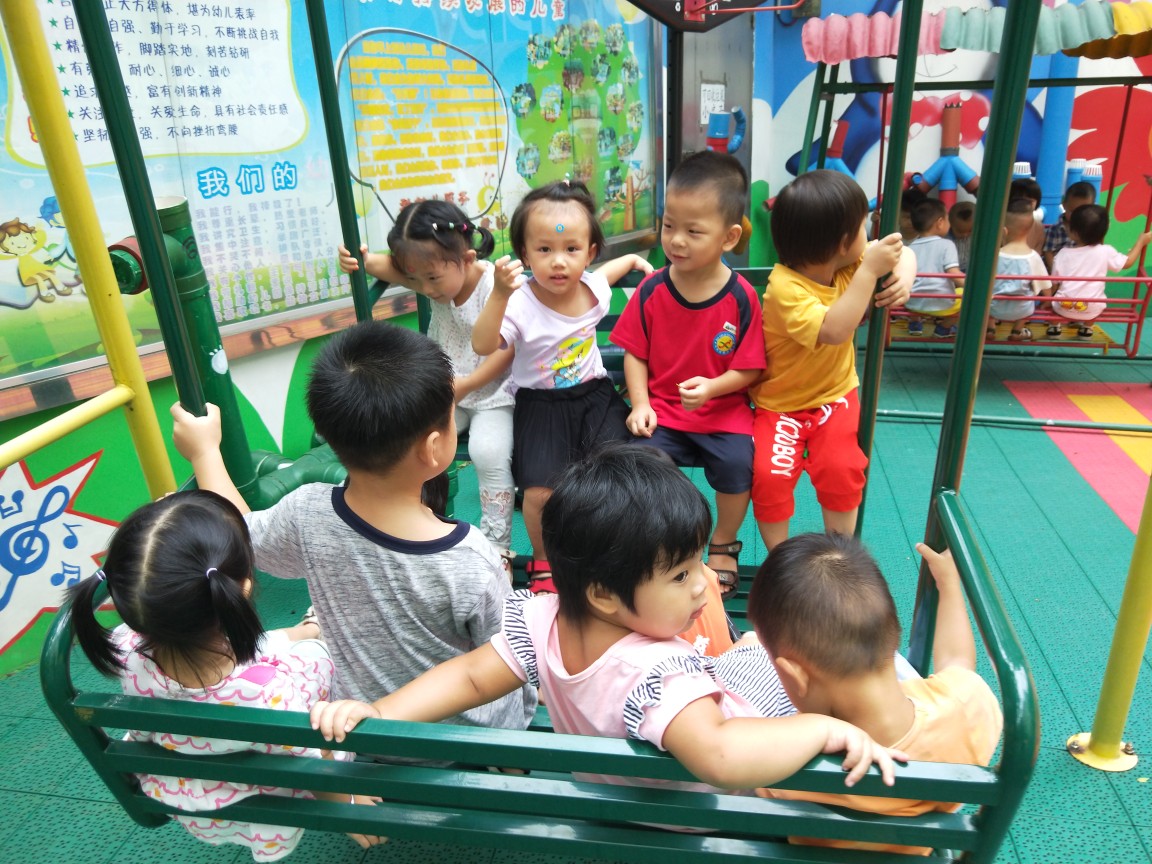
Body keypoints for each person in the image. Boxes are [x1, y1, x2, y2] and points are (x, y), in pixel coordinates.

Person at [310, 445, 906, 798]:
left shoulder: (542, 620)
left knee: (749, 648)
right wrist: (819, 729)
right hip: (693, 809)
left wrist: (381, 710)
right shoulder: (658, 673)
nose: (703, 584)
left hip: (609, 790)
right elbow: (723, 758)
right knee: (788, 660)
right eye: (681, 575)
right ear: (602, 594)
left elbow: (468, 677)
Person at [170, 321, 537, 736]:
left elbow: (238, 533)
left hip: (358, 721)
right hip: (467, 733)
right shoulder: (470, 558)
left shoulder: (305, 513)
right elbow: (503, 658)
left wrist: (205, 452)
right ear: (434, 448)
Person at [63, 490, 381, 860]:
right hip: (257, 803)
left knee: (282, 647)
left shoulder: (125, 648)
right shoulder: (270, 695)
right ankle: (313, 634)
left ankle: (307, 629)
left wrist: (170, 532)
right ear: (242, 588)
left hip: (190, 797)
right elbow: (310, 764)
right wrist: (347, 805)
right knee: (318, 657)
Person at [748, 532, 1003, 856]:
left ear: (795, 674)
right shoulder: (968, 707)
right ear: (891, 633)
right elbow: (958, 662)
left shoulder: (786, 759)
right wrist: (948, 583)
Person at [471, 179, 652, 593]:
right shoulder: (519, 302)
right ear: (524, 254)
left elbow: (606, 274)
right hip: (541, 406)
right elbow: (482, 345)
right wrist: (498, 294)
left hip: (595, 398)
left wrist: (631, 261)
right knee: (539, 494)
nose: (558, 262)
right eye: (544, 249)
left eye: (571, 249)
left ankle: (612, 553)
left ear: (589, 253)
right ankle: (544, 561)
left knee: (623, 474)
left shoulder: (593, 288)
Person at [610, 150, 764, 599]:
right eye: (669, 226)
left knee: (738, 464)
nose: (676, 240)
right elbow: (635, 353)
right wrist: (641, 403)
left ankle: (723, 543)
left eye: (694, 231)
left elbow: (749, 367)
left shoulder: (741, 297)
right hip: (664, 411)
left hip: (723, 412)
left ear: (729, 237)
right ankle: (664, 546)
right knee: (643, 464)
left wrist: (714, 387)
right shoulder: (652, 288)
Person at [337, 201, 516, 560]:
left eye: (431, 278)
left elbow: (506, 349)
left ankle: (498, 547)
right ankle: (398, 525)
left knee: (488, 451)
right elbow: (386, 266)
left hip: (493, 393)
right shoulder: (436, 277)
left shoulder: (492, 287)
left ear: (467, 258)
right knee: (403, 436)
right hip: (444, 389)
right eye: (414, 278)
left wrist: (467, 385)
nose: (423, 288)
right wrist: (359, 259)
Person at [752, 170, 913, 551]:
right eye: (862, 226)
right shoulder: (785, 289)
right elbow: (835, 329)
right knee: (770, 475)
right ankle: (779, 557)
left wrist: (903, 277)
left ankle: (840, 553)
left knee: (842, 468)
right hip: (781, 405)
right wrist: (870, 271)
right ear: (843, 242)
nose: (867, 233)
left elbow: (903, 250)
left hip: (835, 397)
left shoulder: (847, 265)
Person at [1048, 204, 1152, 340]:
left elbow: (1054, 282)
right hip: (1092, 308)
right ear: (1105, 230)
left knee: (1056, 300)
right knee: (1097, 303)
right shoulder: (1105, 251)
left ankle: (1054, 326)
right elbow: (1128, 263)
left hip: (1063, 307)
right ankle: (1087, 328)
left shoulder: (1063, 253)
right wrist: (1141, 242)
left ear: (1073, 233)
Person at [987, 199, 1051, 342]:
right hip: (1021, 310)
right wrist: (1047, 301)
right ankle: (1017, 331)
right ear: (1030, 230)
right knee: (1028, 298)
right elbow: (1046, 287)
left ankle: (990, 328)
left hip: (994, 308)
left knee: (990, 295)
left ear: (1004, 231)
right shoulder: (1033, 257)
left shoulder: (994, 255)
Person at [904, 198, 965, 338]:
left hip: (913, 303)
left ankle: (915, 323)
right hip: (942, 304)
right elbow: (954, 274)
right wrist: (975, 287)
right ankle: (944, 328)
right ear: (940, 222)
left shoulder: (910, 248)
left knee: (912, 286)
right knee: (968, 296)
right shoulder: (947, 244)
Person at [1042, 181, 1096, 272]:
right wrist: (1055, 272)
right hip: (1060, 271)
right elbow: (1048, 252)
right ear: (1064, 205)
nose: (1077, 216)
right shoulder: (1055, 229)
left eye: (1082, 211)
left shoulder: (1091, 229)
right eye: (1072, 211)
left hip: (1081, 271)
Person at [1008, 177, 1046, 254]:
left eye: (1029, 201)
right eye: (1018, 200)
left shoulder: (1038, 227)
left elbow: (1037, 253)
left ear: (1037, 202)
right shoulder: (1002, 223)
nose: (1023, 204)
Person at [947, 200, 975, 272]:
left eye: (970, 231)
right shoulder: (946, 239)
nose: (965, 235)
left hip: (972, 269)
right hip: (953, 270)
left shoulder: (976, 237)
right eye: (960, 231)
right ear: (950, 224)